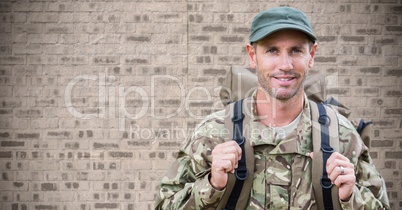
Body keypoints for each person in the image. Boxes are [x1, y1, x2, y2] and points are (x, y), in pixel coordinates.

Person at [155, 6, 390, 209]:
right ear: (252, 55)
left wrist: (350, 197)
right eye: (272, 50)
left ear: (312, 55)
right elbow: (164, 205)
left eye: (296, 50)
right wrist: (213, 185)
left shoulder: (342, 137)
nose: (285, 65)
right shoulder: (213, 134)